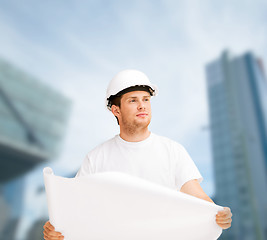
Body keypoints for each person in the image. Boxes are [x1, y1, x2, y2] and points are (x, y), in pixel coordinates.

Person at [43, 69, 232, 239]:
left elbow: (199, 199)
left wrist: (217, 214)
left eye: (146, 99)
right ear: (116, 110)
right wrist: (56, 230)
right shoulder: (96, 158)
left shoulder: (172, 151)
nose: (142, 106)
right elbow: (75, 207)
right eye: (133, 100)